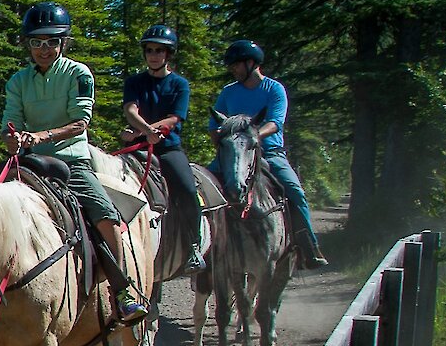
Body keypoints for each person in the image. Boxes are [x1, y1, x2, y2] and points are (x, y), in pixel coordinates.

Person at [0, 1, 151, 326]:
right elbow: (10, 122)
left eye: (52, 41)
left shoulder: (78, 73)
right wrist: (12, 138)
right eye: (37, 42)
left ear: (63, 43)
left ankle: (123, 292)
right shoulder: (18, 81)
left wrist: (39, 137)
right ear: (27, 44)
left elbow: (80, 122)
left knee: (106, 217)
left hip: (71, 162)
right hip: (28, 164)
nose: (44, 49)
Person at [210, 39, 329, 268]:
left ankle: (307, 246)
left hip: (270, 153)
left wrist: (251, 136)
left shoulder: (274, 89)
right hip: (234, 153)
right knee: (202, 186)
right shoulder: (228, 93)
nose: (232, 69)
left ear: (251, 63)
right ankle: (201, 246)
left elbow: (275, 122)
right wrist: (224, 139)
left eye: (236, 64)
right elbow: (214, 125)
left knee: (294, 190)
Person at [120, 24, 207, 273]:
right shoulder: (135, 82)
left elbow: (174, 118)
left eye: (159, 50)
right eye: (149, 50)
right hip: (136, 148)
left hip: (167, 149)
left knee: (188, 190)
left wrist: (143, 131)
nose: (154, 55)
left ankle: (193, 246)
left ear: (168, 54)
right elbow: (130, 110)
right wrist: (144, 132)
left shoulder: (179, 85)